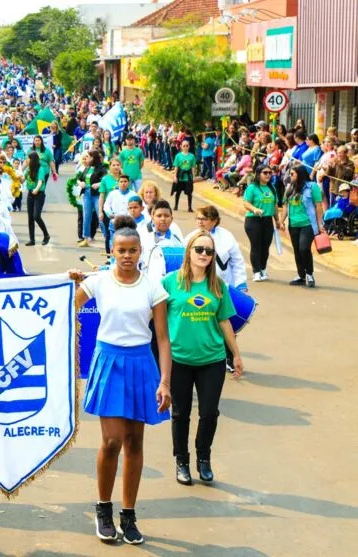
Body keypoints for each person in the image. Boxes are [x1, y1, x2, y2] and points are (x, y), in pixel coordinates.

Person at [68, 215, 172, 545]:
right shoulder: (98, 281)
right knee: (111, 441)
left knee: (134, 443)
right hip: (108, 361)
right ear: (111, 251)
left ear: (140, 251)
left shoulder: (153, 288)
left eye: (132, 250)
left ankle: (129, 514)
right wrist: (72, 283)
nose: (127, 256)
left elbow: (163, 339)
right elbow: (65, 308)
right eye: (121, 250)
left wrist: (165, 381)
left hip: (141, 363)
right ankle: (103, 509)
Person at [163, 231, 243, 486]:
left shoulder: (218, 286)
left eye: (209, 251)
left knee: (209, 413)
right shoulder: (169, 283)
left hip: (212, 360)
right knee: (181, 413)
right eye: (199, 249)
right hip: (179, 360)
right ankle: (182, 461)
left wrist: (237, 355)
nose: (204, 255)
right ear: (188, 251)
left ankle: (203, 458)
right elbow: (156, 321)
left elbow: (224, 321)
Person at [281, 166, 324, 288]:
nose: (291, 176)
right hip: (293, 225)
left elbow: (318, 206)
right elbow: (285, 206)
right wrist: (281, 221)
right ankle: (301, 275)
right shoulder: (290, 188)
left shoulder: (312, 187)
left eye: (293, 174)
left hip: (308, 224)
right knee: (296, 250)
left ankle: (309, 274)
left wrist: (320, 223)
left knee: (304, 248)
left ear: (300, 174)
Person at [242, 165, 280, 282]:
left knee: (265, 247)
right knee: (256, 246)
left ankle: (263, 269)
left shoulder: (272, 188)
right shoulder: (252, 188)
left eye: (270, 173)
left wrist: (277, 220)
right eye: (265, 173)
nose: (268, 175)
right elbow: (246, 203)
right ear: (258, 174)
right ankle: (256, 271)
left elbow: (275, 206)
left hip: (268, 220)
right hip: (253, 220)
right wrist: (254, 209)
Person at [24, 151, 50, 246]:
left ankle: (46, 235)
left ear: (33, 159)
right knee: (30, 217)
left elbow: (40, 181)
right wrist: (16, 176)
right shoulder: (28, 169)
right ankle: (32, 240)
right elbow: (23, 179)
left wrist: (37, 189)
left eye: (28, 158)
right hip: (30, 194)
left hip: (39, 194)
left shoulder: (41, 169)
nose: (27, 160)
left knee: (36, 216)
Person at [172, 140, 196, 212]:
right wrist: (175, 176)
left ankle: (189, 207)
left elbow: (193, 167)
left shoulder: (192, 156)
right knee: (178, 192)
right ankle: (176, 205)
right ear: (181, 147)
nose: (185, 147)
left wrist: (193, 177)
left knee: (189, 193)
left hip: (188, 176)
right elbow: (176, 167)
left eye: (187, 146)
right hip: (180, 176)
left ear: (189, 146)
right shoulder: (178, 156)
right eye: (184, 146)